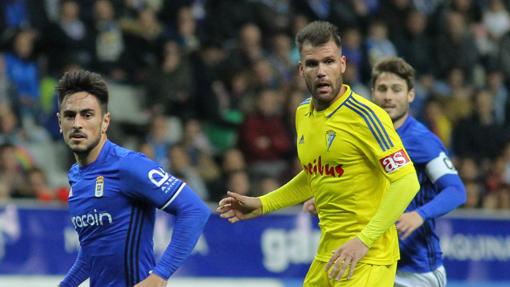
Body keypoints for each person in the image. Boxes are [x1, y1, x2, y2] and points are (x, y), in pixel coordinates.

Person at [217, 21, 420, 286]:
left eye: (329, 61)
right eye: (313, 64)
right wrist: (264, 203)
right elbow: (314, 173)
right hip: (329, 254)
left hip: (369, 257)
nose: (322, 71)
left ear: (343, 65)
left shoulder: (368, 117)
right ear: (302, 70)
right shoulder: (302, 113)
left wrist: (363, 240)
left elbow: (406, 182)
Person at [304, 57, 467, 287]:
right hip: (368, 262)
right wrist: (325, 197)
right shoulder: (363, 133)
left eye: (396, 89)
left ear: (410, 95)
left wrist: (419, 215)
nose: (388, 96)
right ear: (372, 93)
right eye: (382, 89)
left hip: (415, 270)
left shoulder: (422, 141)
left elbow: (456, 191)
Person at [56, 70, 210, 287]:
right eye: (70, 115)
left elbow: (195, 210)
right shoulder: (76, 177)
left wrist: (160, 275)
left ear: (105, 122)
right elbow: (92, 253)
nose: (77, 123)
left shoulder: (128, 165)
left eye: (87, 114)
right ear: (59, 122)